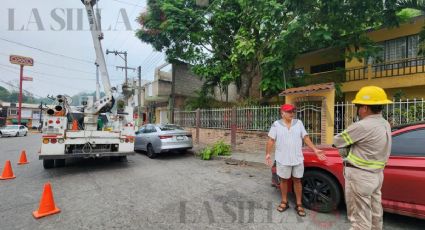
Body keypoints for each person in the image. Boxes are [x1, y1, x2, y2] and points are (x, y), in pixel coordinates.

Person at [333, 86, 392, 230]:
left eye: (358, 106)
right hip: (376, 175)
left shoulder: (362, 126)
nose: (357, 110)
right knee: (375, 213)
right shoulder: (385, 123)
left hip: (360, 177)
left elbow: (337, 141)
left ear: (365, 108)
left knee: (359, 219)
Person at [265, 103, 326, 217]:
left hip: (297, 158)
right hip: (282, 159)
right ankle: (284, 201)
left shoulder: (298, 123)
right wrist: (268, 154)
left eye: (293, 111)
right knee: (283, 180)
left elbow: (305, 137)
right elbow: (271, 140)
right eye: (288, 111)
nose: (291, 113)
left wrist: (315, 149)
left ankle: (299, 203)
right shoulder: (276, 125)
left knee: (297, 180)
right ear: (282, 113)